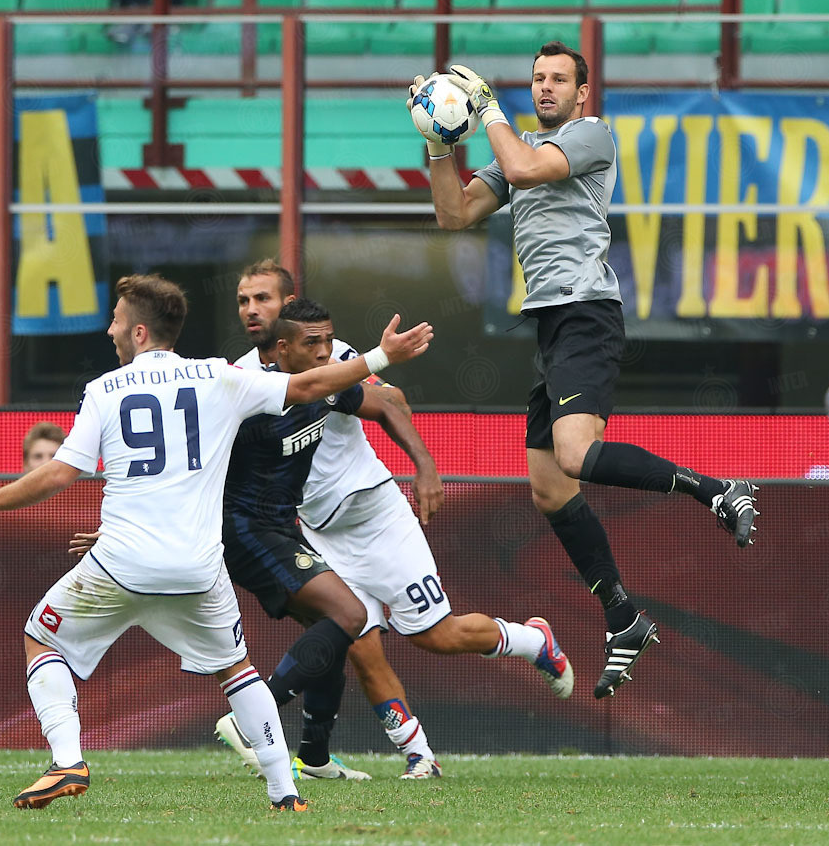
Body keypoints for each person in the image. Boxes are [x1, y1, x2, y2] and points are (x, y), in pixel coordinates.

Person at [0, 274, 432, 810]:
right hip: (199, 569)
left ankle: (67, 760)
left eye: (115, 320)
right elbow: (306, 387)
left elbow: (63, 472)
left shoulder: (104, 389)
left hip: (120, 563)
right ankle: (285, 792)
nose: (109, 329)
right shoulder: (217, 376)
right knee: (239, 671)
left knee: (41, 637)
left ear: (138, 332)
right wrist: (379, 357)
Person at [412, 42, 759, 699]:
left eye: (558, 80)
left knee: (574, 453)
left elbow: (524, 167)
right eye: (537, 78)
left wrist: (485, 108)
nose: (545, 87)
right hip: (553, 324)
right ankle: (623, 616)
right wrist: (436, 143)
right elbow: (453, 214)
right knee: (549, 488)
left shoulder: (591, 136)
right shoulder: (515, 151)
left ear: (581, 93)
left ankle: (717, 489)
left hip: (586, 313)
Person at [223, 262, 570, 780]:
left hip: (374, 513)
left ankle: (533, 641)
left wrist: (425, 467)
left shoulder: (331, 357)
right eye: (244, 300)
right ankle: (417, 755)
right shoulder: (243, 376)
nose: (253, 310)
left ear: (289, 305)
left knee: (437, 636)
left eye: (264, 299)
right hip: (316, 527)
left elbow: (390, 402)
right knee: (354, 639)